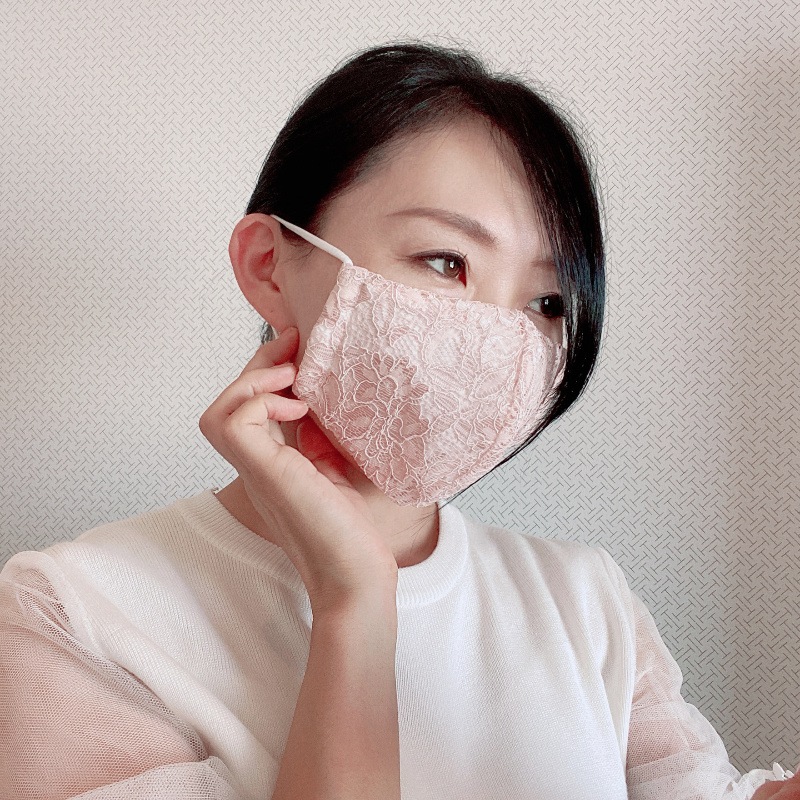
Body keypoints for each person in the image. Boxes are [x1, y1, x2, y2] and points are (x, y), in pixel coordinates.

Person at [0, 40, 797, 800]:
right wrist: (353, 602)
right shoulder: (73, 614)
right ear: (270, 266)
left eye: (548, 302)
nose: (502, 334)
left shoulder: (585, 600)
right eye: (448, 262)